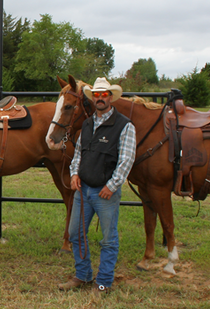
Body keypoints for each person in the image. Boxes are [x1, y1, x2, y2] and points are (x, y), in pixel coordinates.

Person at [58, 77, 136, 293]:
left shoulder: (124, 125)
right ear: (93, 99)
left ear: (110, 97)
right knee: (75, 234)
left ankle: (103, 282)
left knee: (108, 239)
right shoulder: (87, 123)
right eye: (97, 95)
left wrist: (112, 185)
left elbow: (127, 159)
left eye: (104, 95)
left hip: (105, 193)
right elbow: (79, 154)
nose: (100, 98)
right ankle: (83, 275)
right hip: (83, 190)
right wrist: (74, 174)